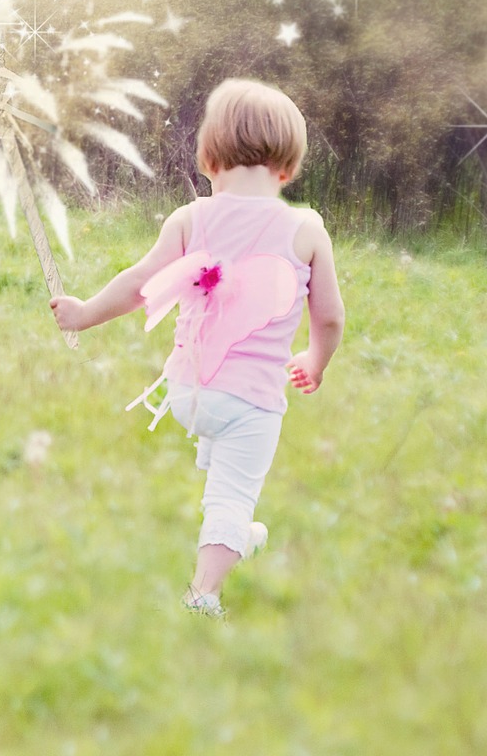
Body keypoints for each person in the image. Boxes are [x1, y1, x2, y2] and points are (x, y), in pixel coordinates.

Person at [49, 79, 346, 616]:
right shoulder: (306, 231)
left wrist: (85, 311)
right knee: (232, 495)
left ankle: (239, 533)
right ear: (288, 167)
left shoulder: (191, 219)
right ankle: (205, 591)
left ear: (209, 159)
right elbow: (329, 315)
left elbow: (142, 283)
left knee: (223, 455)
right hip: (249, 403)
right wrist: (315, 361)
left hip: (186, 393)